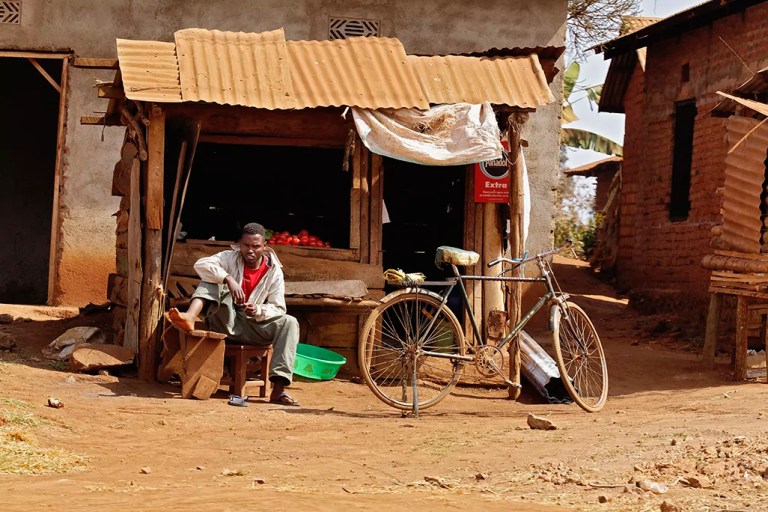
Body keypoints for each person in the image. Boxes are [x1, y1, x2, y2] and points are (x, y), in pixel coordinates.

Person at [169, 222, 301, 406]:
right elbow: (201, 264)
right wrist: (228, 279)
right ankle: (190, 317)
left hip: (253, 326)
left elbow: (278, 308)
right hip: (225, 319)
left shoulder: (274, 272)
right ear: (240, 244)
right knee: (212, 279)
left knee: (290, 322)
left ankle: (278, 389)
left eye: (256, 246)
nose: (250, 250)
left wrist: (258, 309)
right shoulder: (229, 257)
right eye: (246, 245)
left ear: (265, 246)